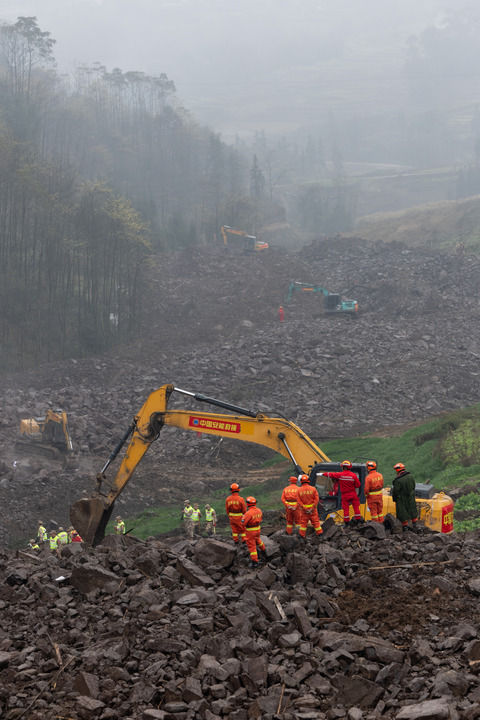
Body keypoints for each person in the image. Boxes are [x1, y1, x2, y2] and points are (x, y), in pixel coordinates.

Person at [320, 460, 362, 526]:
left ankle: (347, 523)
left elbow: (331, 474)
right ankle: (358, 520)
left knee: (346, 510)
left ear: (342, 467)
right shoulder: (353, 475)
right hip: (353, 494)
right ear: (350, 467)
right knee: (356, 508)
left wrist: (323, 474)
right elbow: (358, 485)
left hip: (345, 495)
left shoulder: (340, 475)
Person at [392, 463, 418, 532]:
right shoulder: (410, 476)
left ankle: (405, 527)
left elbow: (396, 491)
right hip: (411, 496)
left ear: (398, 470)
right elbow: (413, 486)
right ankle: (415, 524)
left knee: (402, 512)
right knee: (412, 509)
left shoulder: (398, 480)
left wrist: (395, 499)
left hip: (402, 498)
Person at [242, 496, 266, 567]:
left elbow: (243, 523)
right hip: (257, 529)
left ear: (248, 504)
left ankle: (255, 561)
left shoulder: (248, 513)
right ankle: (264, 550)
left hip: (250, 532)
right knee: (258, 540)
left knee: (252, 546)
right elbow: (261, 519)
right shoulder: (259, 510)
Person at [296, 474, 323, 538]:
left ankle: (301, 535)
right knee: (316, 522)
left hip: (304, 511)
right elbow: (316, 499)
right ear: (308, 480)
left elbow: (298, 501)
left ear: (301, 481)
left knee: (303, 523)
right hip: (312, 510)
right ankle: (320, 534)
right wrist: (312, 508)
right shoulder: (313, 489)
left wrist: (305, 508)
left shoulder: (299, 490)